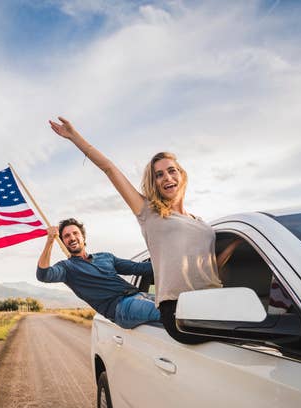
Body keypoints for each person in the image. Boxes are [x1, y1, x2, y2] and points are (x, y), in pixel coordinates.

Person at [49, 116, 240, 344]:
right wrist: (74, 137)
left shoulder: (201, 224)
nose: (167, 178)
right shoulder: (150, 213)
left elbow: (208, 269)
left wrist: (238, 245)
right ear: (154, 182)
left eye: (172, 171)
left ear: (182, 175)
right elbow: (109, 169)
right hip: (180, 309)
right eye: (159, 175)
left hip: (211, 302)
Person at [37, 217, 160, 329]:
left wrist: (171, 262)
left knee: (176, 305)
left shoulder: (106, 257)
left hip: (140, 295)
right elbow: (43, 274)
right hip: (121, 308)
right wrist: (50, 241)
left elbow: (138, 268)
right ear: (63, 242)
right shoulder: (66, 268)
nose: (72, 238)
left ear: (83, 237)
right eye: (66, 236)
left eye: (75, 233)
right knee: (170, 313)